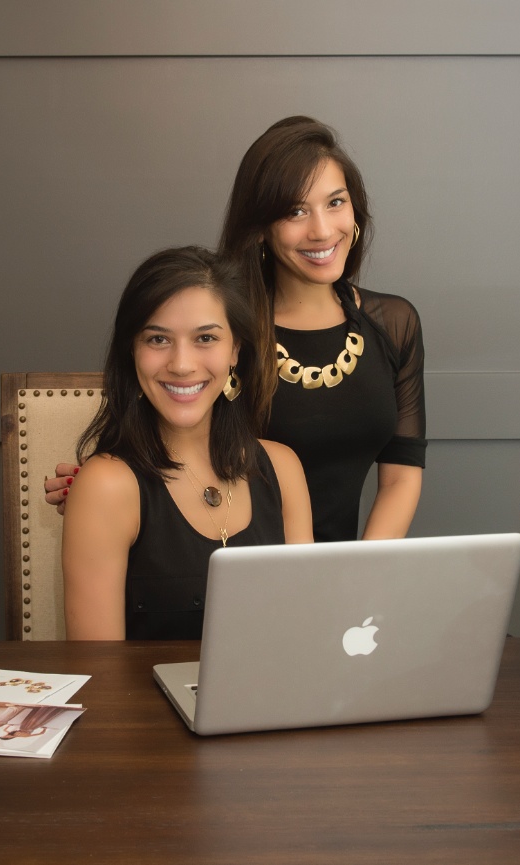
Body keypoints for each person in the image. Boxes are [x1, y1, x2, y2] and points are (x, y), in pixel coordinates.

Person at [47, 117, 426, 542]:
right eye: (295, 211)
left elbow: (401, 475)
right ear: (261, 227)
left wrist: (360, 569)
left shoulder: (394, 323)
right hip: (229, 555)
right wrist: (104, 487)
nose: (321, 230)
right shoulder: (221, 328)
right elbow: (161, 425)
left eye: (335, 202)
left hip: (340, 568)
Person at [61, 246, 313, 641]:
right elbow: (99, 668)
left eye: (206, 338)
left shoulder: (283, 468)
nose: (181, 364)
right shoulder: (106, 485)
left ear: (235, 349)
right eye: (158, 339)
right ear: (132, 351)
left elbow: (306, 634)